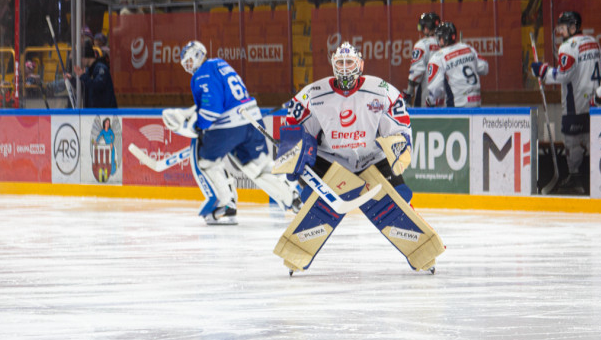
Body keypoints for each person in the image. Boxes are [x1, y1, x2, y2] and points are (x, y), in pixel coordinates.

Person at [275, 41, 442, 273]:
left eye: (349, 62)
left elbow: (399, 127)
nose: (345, 68)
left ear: (360, 64)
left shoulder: (382, 90)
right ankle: (296, 254)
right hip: (331, 160)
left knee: (399, 197)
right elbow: (295, 126)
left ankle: (423, 253)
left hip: (371, 158)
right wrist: (293, 153)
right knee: (312, 200)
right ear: (333, 64)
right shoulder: (313, 94)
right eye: (340, 62)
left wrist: (399, 148)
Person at [166, 41, 300, 224]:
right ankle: (292, 197)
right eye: (185, 64)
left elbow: (212, 108)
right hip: (251, 118)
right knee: (258, 166)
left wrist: (198, 126)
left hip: (229, 126)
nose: (188, 66)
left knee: (206, 161)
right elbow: (224, 96)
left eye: (189, 60)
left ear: (198, 55)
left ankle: (226, 203)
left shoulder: (202, 74)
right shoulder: (221, 64)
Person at [531, 11, 601, 194]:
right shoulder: (594, 42)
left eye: (562, 28)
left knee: (572, 143)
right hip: (595, 104)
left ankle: (575, 178)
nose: (560, 32)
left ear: (573, 27)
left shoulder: (568, 46)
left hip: (574, 105)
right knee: (592, 141)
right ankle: (597, 179)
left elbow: (564, 75)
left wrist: (543, 71)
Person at [425, 22, 489, 107]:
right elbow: (484, 68)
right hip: (476, 100)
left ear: (444, 38)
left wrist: (431, 100)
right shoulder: (468, 48)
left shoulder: (437, 57)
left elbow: (435, 87)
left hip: (457, 105)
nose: (439, 41)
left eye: (439, 38)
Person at [406, 11, 441, 107]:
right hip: (444, 95)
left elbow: (416, 73)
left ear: (426, 27)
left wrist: (409, 93)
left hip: (426, 95)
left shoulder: (421, 45)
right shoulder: (445, 44)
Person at [69, 41, 118, 109]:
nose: (81, 61)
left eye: (81, 58)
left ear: (86, 57)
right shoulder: (89, 70)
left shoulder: (101, 68)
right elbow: (85, 87)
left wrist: (83, 76)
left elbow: (98, 85)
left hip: (105, 111)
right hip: (93, 111)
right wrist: (71, 79)